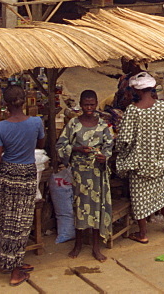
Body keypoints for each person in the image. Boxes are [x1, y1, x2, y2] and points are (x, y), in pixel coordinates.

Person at [115, 72, 164, 243]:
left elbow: (123, 139)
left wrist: (121, 153)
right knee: (162, 192)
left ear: (136, 90)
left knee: (139, 197)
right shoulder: (163, 108)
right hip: (158, 160)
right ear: (151, 89)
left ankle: (143, 233)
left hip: (138, 164)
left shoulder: (132, 111)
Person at [0, 85, 45, 286]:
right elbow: (41, 144)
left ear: (5, 104)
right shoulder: (36, 122)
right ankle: (15, 267)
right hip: (27, 175)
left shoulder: (1, 127)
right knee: (21, 222)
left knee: (7, 220)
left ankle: (13, 264)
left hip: (7, 175)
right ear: (24, 101)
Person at [57, 90, 114, 262]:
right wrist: (75, 149)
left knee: (96, 208)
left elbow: (109, 146)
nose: (89, 108)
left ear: (96, 104)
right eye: (85, 105)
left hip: (97, 172)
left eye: (92, 104)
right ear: (80, 105)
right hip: (80, 173)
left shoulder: (103, 125)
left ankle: (96, 246)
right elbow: (60, 145)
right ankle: (79, 243)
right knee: (79, 207)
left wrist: (105, 157)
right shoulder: (73, 123)